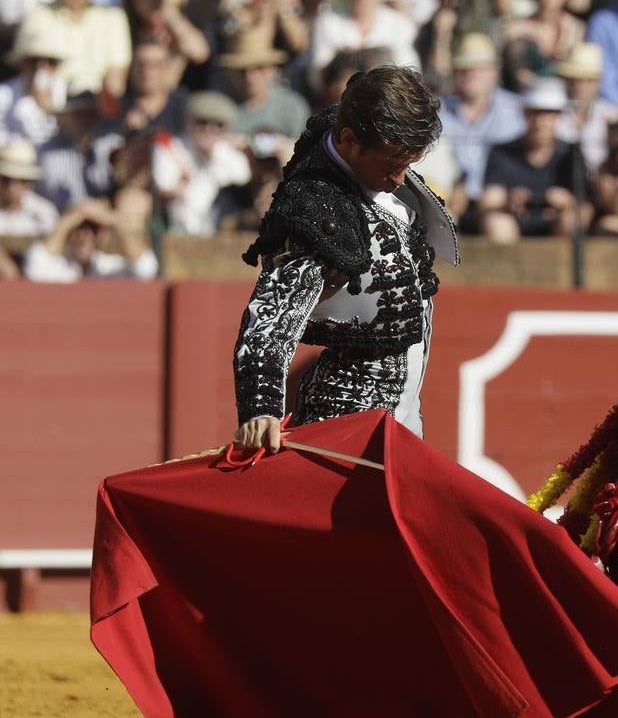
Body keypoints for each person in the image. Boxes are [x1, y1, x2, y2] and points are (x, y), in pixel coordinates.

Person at [233, 64, 458, 454]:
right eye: (391, 165)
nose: (400, 179)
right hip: (346, 423)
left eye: (407, 166)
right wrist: (261, 408)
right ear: (350, 141)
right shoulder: (317, 210)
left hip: (403, 416)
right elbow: (270, 318)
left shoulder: (367, 155)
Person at [477, 76, 589, 243]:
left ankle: (564, 267)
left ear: (558, 116)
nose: (540, 122)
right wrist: (510, 200)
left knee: (573, 218)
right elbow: (487, 201)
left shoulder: (571, 154)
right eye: (534, 113)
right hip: (513, 228)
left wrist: (565, 202)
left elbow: (586, 205)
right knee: (497, 222)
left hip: (557, 232)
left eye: (548, 114)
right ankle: (508, 268)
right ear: (524, 113)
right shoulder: (502, 152)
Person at [438, 32, 526, 222]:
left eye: (480, 68)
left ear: (494, 71)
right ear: (455, 72)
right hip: (448, 202)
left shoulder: (515, 111)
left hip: (500, 203)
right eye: (465, 68)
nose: (472, 73)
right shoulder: (438, 111)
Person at [152, 91, 252, 235]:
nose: (208, 130)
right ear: (188, 123)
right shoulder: (172, 148)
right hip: (176, 230)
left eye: (218, 125)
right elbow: (164, 184)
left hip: (219, 233)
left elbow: (242, 180)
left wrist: (212, 158)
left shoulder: (230, 155)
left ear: (227, 129)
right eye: (202, 122)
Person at [15, 0, 132, 110]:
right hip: (49, 109)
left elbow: (116, 82)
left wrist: (104, 109)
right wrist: (52, 111)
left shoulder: (113, 17)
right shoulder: (36, 15)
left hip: (97, 109)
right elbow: (34, 75)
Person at [22, 197, 158, 281]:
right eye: (78, 227)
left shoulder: (110, 267)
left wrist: (113, 220)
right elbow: (34, 267)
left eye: (93, 228)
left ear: (101, 235)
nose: (84, 235)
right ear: (68, 232)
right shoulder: (57, 267)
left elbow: (146, 268)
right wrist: (75, 216)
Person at [222, 24, 311, 145]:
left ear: (272, 70)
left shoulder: (292, 107)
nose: (250, 76)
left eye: (259, 68)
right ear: (231, 73)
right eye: (242, 70)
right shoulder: (222, 108)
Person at [555, 42, 618, 174]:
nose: (579, 86)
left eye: (587, 80)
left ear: (598, 83)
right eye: (573, 79)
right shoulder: (553, 114)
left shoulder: (611, 115)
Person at [0, 23, 68, 148]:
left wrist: (47, 106)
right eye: (34, 61)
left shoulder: (67, 90)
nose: (41, 69)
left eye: (50, 62)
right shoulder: (4, 93)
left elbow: (71, 134)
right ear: (22, 64)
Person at [501, 0, 586, 92]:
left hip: (564, 94)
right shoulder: (517, 30)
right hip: (526, 94)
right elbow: (519, 73)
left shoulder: (575, 29)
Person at [0, 138, 57, 236]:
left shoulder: (45, 213)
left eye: (21, 180)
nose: (12, 186)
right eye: (6, 179)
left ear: (30, 183)